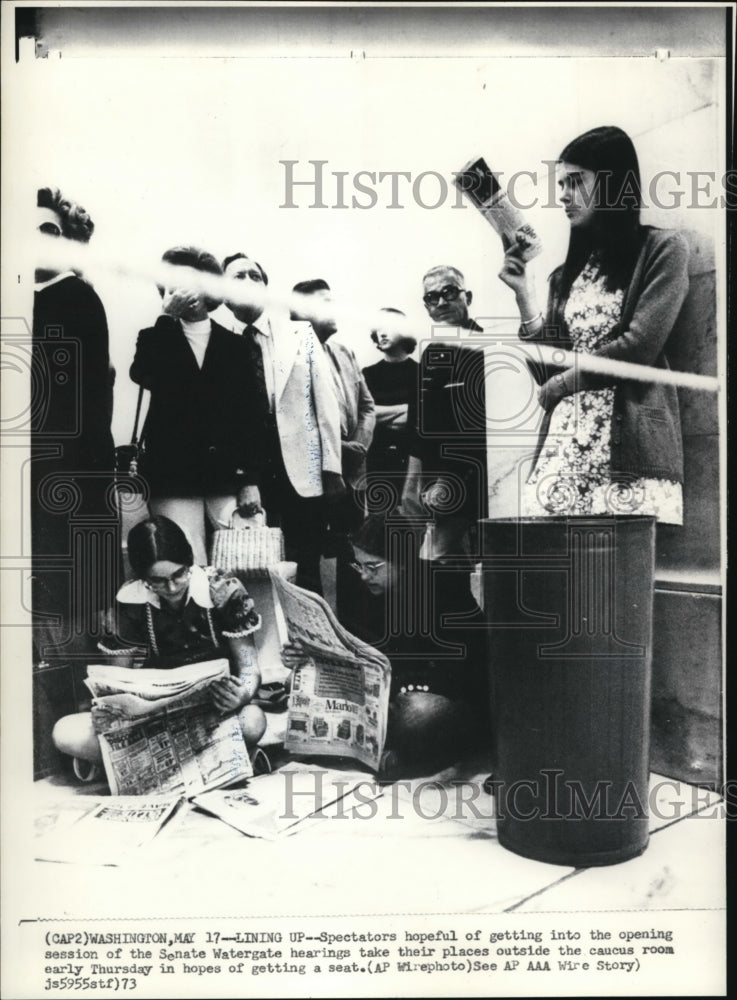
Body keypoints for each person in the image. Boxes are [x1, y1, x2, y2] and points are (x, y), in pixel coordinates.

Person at [498, 125, 688, 522]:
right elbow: (547, 370)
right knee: (560, 578)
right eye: (561, 184)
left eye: (575, 182)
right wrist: (523, 293)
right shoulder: (563, 276)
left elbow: (639, 347)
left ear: (613, 183)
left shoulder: (663, 250)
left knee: (615, 578)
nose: (563, 195)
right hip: (564, 444)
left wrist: (564, 384)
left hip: (626, 446)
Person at [283, 513, 490, 779]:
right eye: (359, 566)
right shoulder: (369, 592)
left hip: (443, 700)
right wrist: (305, 656)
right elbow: (355, 651)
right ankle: (391, 750)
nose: (364, 576)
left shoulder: (445, 586)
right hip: (388, 698)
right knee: (297, 682)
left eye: (373, 566)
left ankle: (412, 753)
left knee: (419, 714)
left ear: (402, 561)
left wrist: (393, 691)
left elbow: (462, 672)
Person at [52, 516, 267, 768]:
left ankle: (147, 765)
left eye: (179, 574)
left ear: (189, 562)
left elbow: (250, 668)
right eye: (157, 581)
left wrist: (242, 694)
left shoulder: (222, 588)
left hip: (215, 712)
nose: (172, 587)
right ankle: (209, 759)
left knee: (253, 721)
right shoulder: (130, 599)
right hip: (156, 719)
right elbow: (115, 679)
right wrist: (106, 711)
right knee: (64, 732)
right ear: (142, 576)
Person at [130, 246, 267, 565]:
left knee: (246, 564)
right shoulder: (154, 336)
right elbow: (144, 374)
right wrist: (166, 317)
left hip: (227, 475)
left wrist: (250, 479)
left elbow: (252, 416)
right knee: (189, 564)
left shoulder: (235, 346)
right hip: (173, 476)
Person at [218, 253, 343, 595]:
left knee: (307, 568)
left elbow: (325, 403)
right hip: (249, 474)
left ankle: (311, 644)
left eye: (254, 276)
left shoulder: (298, 333)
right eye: (237, 277)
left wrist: (332, 470)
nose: (247, 282)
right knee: (256, 566)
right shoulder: (220, 342)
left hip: (302, 471)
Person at [32, 187, 118, 661]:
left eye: (49, 231)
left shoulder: (77, 299)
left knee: (68, 605)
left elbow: (91, 408)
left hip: (66, 479)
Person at [401, 265, 488, 560]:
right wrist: (412, 486)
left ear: (468, 297)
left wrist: (449, 481)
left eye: (449, 292)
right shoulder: (430, 352)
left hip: (474, 482)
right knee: (440, 565)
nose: (440, 302)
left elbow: (476, 427)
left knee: (469, 565)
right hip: (435, 485)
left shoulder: (486, 348)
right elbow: (419, 423)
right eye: (431, 297)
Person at [291, 278, 375, 538]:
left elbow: (367, 407)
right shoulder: (290, 356)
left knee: (354, 555)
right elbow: (294, 418)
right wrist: (338, 450)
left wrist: (358, 447)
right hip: (316, 477)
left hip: (355, 474)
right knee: (312, 558)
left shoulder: (345, 352)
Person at [362, 308, 418, 481]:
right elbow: (360, 418)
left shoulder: (422, 373)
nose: (383, 333)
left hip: (412, 464)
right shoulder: (367, 374)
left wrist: (378, 414)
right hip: (375, 463)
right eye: (379, 328)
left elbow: (425, 419)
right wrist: (405, 410)